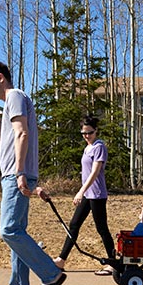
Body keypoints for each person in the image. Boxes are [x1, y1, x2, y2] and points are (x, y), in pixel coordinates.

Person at [0, 61, 66, 285]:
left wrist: (20, 172)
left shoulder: (15, 96)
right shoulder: (14, 99)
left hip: (16, 174)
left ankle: (51, 274)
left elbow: (22, 133)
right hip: (15, 174)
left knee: (8, 229)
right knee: (16, 230)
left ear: (0, 77)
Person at [53, 116, 116, 276]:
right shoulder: (87, 147)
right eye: (84, 133)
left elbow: (95, 172)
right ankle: (61, 260)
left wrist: (80, 191)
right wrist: (83, 191)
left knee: (102, 228)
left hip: (97, 194)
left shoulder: (99, 147)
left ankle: (113, 263)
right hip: (88, 194)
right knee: (74, 225)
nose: (87, 136)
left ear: (96, 131)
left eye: (90, 133)